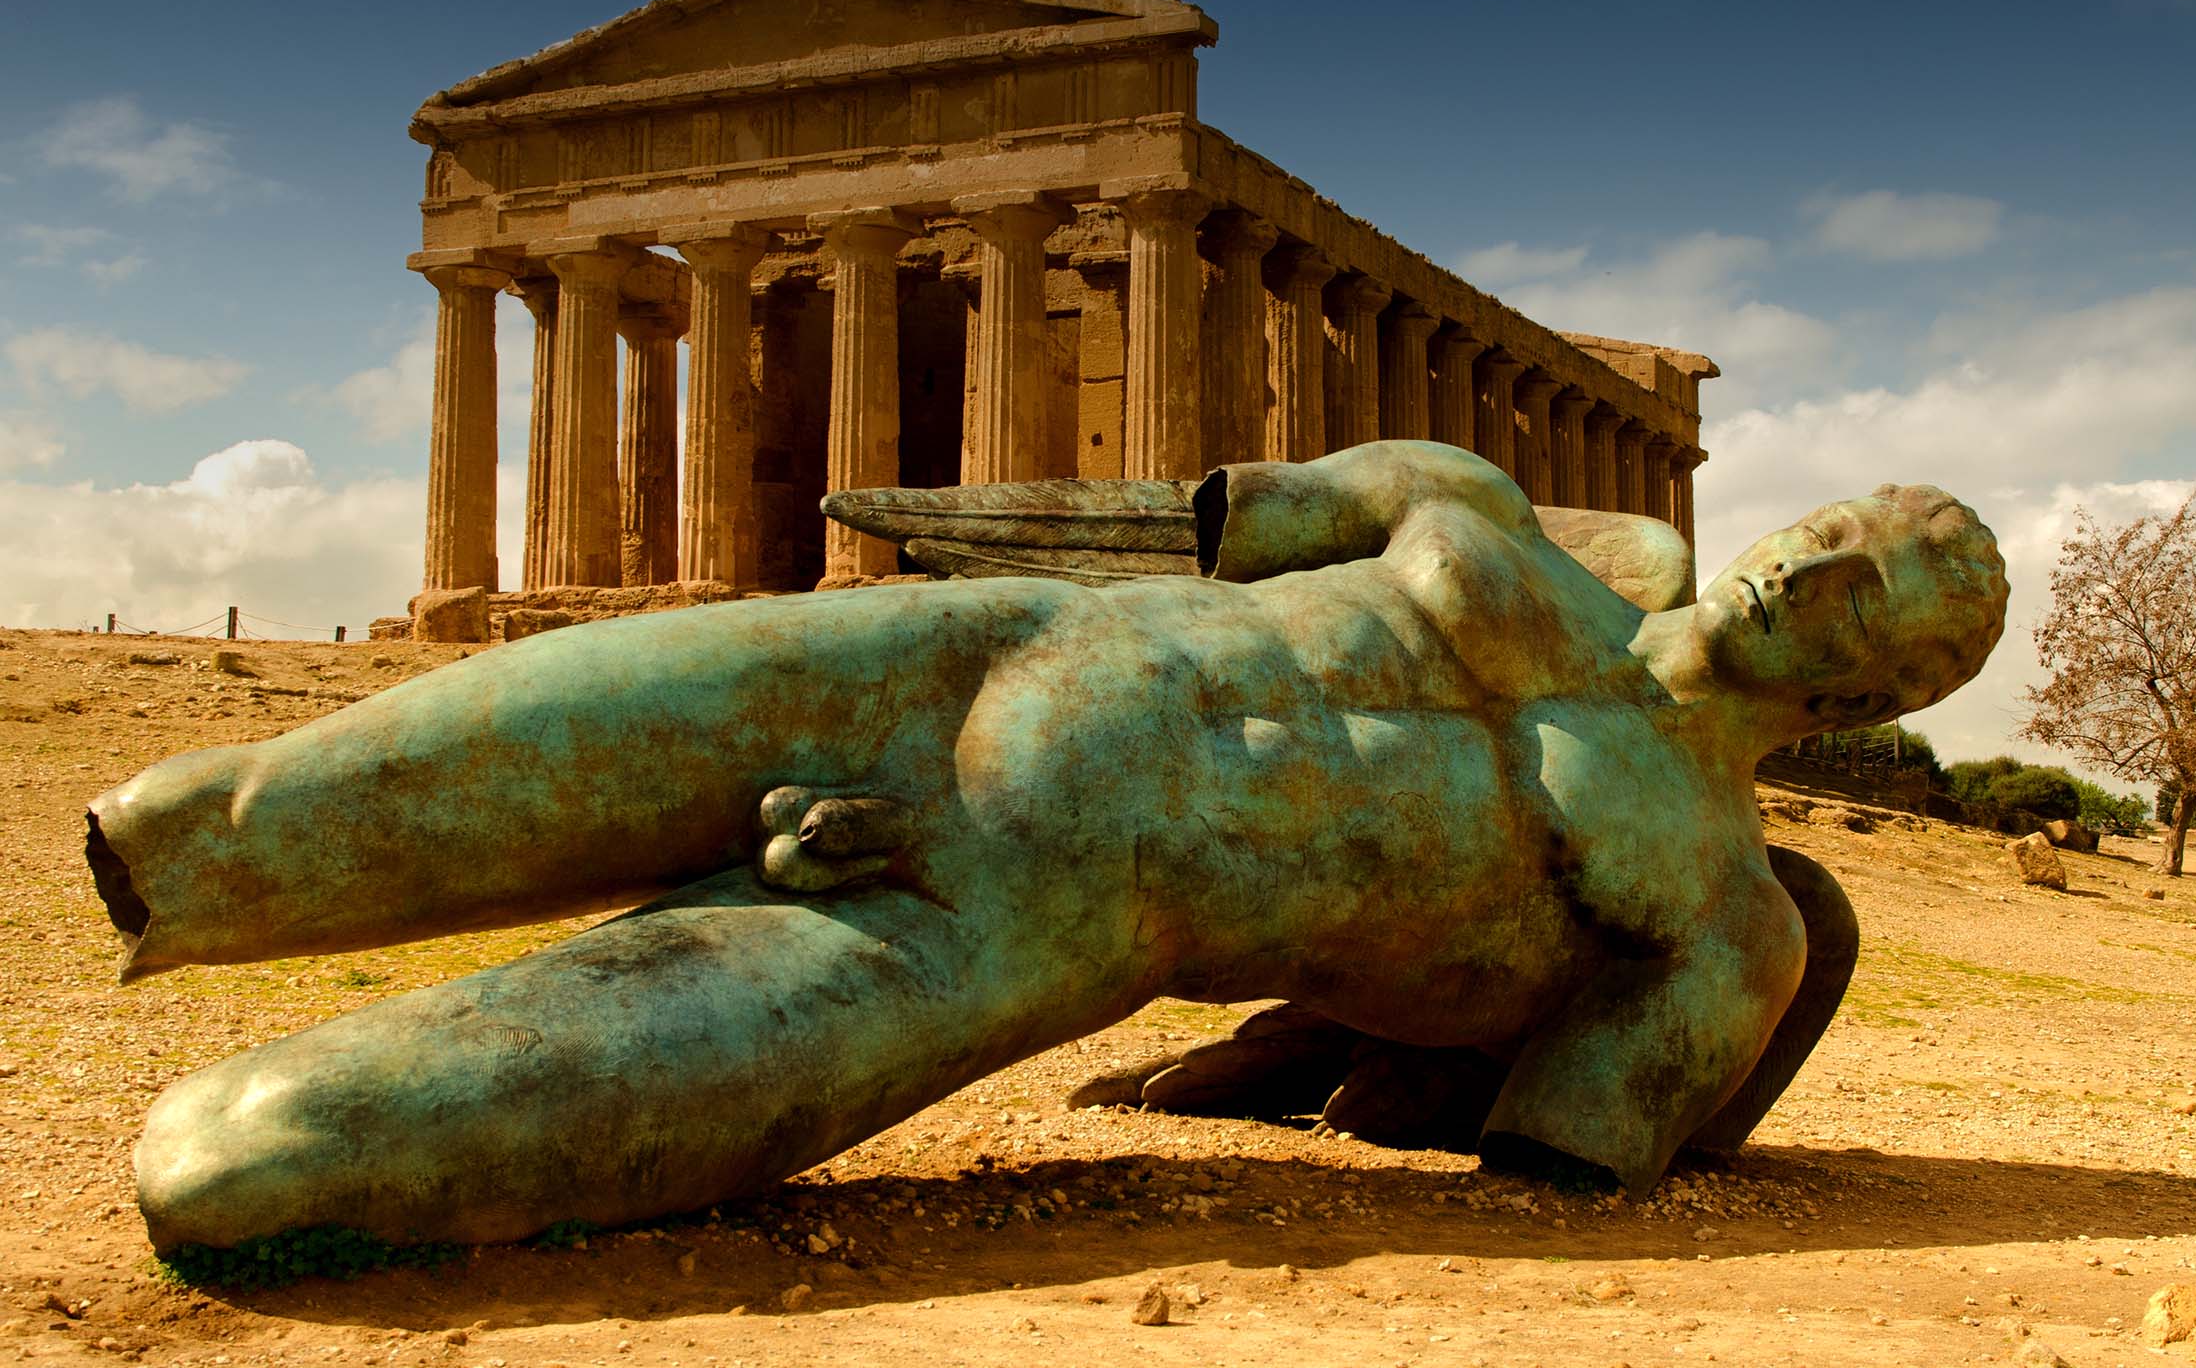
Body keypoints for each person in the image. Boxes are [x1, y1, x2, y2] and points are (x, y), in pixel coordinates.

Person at [94, 441, 2005, 1249]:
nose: (1812, 571)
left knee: (251, 1166)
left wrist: (1416, 1046)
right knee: (228, 822)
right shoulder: (1481, 506)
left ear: (1880, 691)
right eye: (1833, 535)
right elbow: (1177, 525)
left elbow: (1559, 1150)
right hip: (961, 658)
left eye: (1867, 604)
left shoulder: (1725, 924)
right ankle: (174, 873)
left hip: (1012, 925)